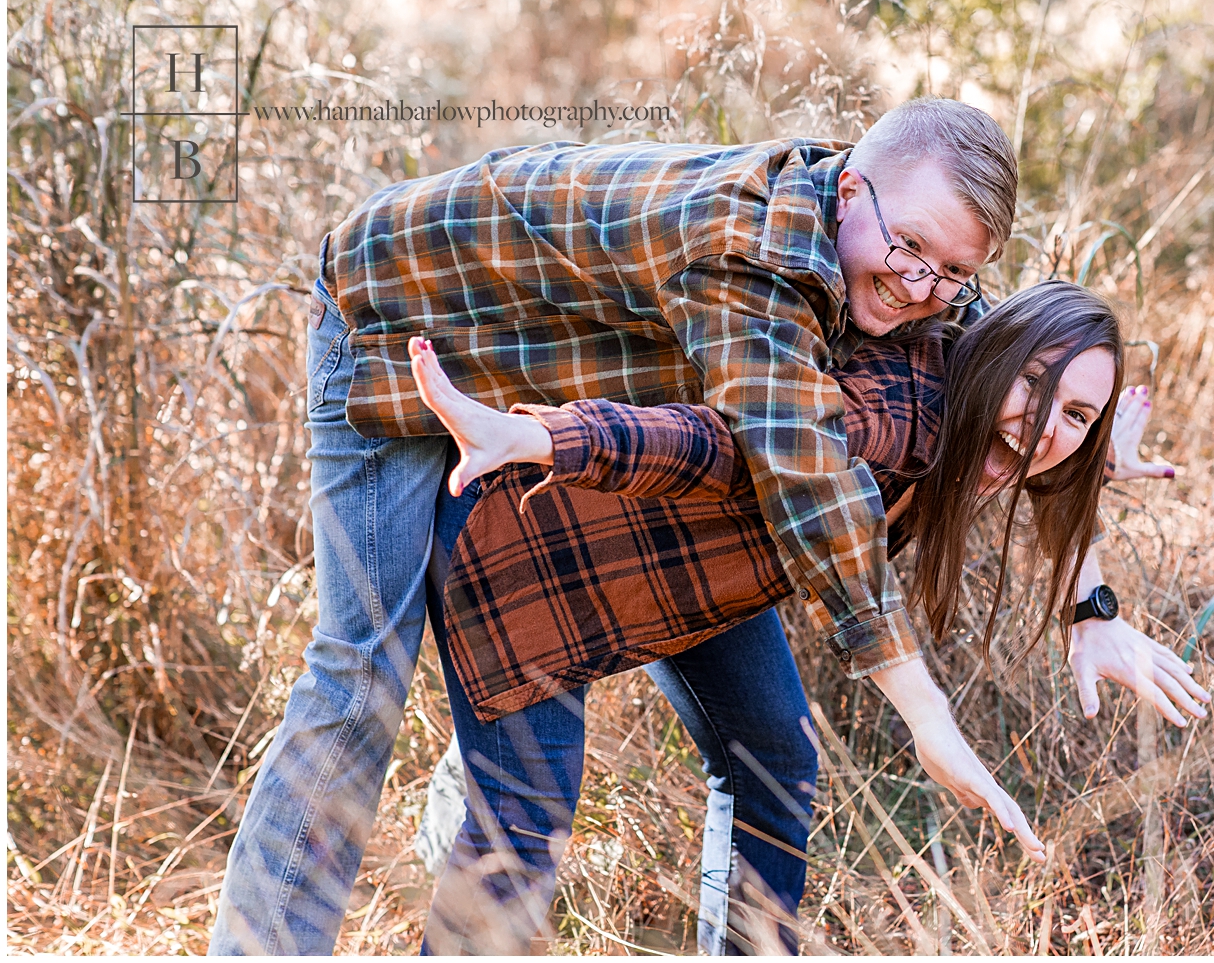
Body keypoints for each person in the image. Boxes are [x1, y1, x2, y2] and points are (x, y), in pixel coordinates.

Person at [210, 98, 1019, 954]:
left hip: (541, 388)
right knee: (362, 667)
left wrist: (1092, 591)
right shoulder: (745, 248)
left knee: (754, 747)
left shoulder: (882, 237)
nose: (921, 287)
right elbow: (803, 468)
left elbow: (1006, 362)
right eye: (912, 249)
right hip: (395, 330)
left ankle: (469, 792)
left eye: (953, 271)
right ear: (850, 190)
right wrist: (923, 707)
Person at [408, 282, 1208, 953]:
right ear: (999, 356)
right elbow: (707, 445)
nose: (1044, 430)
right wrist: (544, 434)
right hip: (543, 537)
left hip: (691, 573)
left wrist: (1091, 602)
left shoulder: (983, 377)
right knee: (528, 803)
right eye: (1036, 386)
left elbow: (1040, 452)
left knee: (773, 759)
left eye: (1077, 416)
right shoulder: (885, 420)